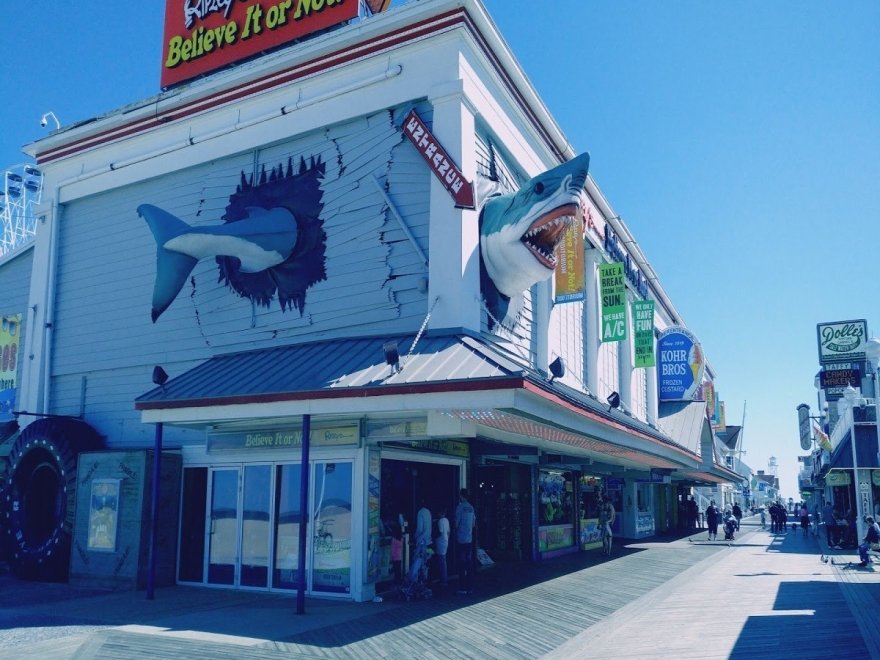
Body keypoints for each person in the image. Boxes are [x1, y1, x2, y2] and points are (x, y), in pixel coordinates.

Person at [455, 488, 476, 595]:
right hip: (469, 539)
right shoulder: (471, 508)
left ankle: (462, 588)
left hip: (461, 539)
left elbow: (456, 523)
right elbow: (473, 524)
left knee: (462, 565)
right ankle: (470, 587)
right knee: (469, 564)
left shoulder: (460, 507)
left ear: (461, 496)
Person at [435, 507, 450, 587]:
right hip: (446, 541)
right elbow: (448, 532)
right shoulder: (447, 520)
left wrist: (435, 539)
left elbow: (440, 532)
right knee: (443, 560)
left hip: (440, 542)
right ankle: (443, 579)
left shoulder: (440, 521)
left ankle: (443, 580)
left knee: (441, 561)